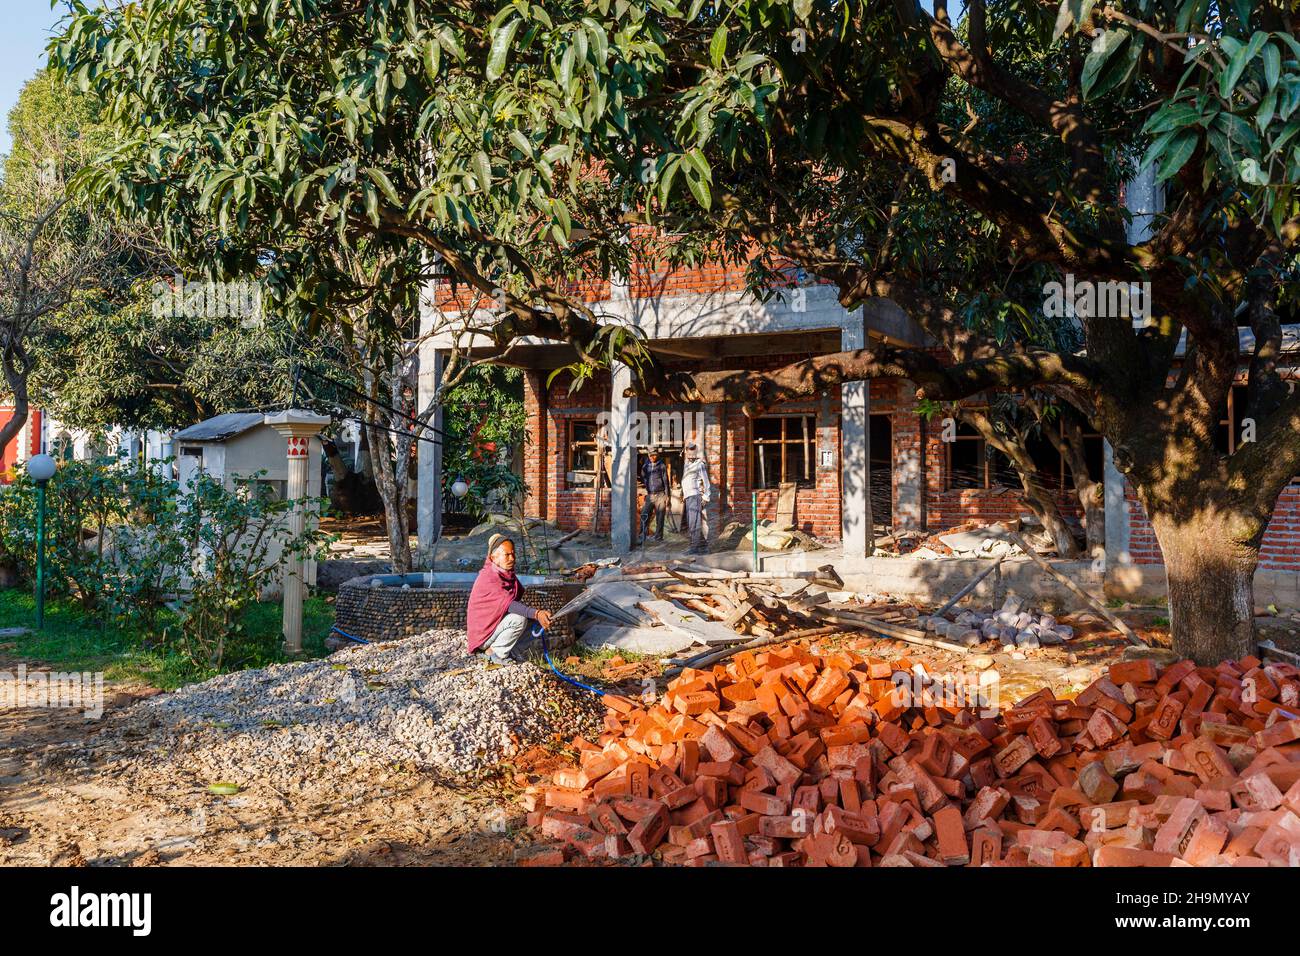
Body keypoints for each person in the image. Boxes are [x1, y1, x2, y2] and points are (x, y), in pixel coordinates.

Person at [465, 534, 552, 665]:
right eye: (507, 555)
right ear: (494, 558)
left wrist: (535, 616)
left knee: (533, 623)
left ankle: (511, 653)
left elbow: (515, 598)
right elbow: (509, 604)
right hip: (483, 636)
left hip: (494, 628)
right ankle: (495, 653)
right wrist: (536, 613)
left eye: (513, 554)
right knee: (519, 619)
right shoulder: (489, 577)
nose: (512, 558)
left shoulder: (505, 574)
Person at [680, 440, 711, 555]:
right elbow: (686, 480)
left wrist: (706, 497)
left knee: (694, 523)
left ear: (696, 452)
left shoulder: (700, 465)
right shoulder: (686, 465)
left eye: (693, 452)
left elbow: (706, 482)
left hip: (695, 496)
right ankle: (703, 546)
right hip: (688, 496)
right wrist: (684, 494)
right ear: (686, 453)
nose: (690, 455)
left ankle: (694, 548)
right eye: (689, 452)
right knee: (691, 521)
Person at [638, 446, 671, 543]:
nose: (653, 457)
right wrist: (648, 489)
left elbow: (666, 481)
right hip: (650, 495)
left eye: (655, 455)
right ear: (648, 455)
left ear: (657, 455)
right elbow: (644, 478)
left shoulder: (662, 466)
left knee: (660, 517)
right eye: (651, 455)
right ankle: (642, 536)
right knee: (644, 514)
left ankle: (658, 537)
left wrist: (667, 495)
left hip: (661, 494)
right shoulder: (645, 467)